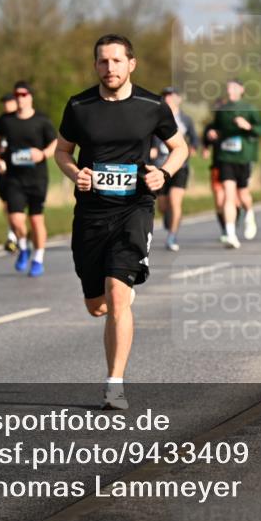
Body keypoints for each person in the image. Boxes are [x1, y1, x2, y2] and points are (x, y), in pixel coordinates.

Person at [55, 34, 187, 410]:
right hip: (92, 215)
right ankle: (119, 289)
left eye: (116, 61)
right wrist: (74, 172)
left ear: (132, 63)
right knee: (97, 305)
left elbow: (180, 147)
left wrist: (164, 172)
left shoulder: (151, 105)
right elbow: (62, 151)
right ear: (95, 65)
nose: (109, 68)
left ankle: (115, 383)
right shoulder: (79, 106)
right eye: (102, 62)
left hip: (135, 208)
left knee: (117, 295)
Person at [0, 81, 58, 275]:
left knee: (36, 220)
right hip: (14, 178)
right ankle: (23, 246)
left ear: (30, 96)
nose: (20, 98)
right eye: (17, 95)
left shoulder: (42, 120)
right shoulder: (6, 121)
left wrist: (43, 154)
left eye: (23, 95)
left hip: (37, 178)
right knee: (15, 220)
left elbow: (55, 143)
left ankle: (38, 258)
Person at [206, 79, 261, 248]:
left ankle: (250, 213)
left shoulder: (249, 109)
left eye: (233, 87)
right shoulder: (222, 111)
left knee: (244, 194)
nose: (230, 90)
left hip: (243, 157)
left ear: (241, 90)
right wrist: (212, 133)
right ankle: (230, 234)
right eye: (228, 87)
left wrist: (248, 127)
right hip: (225, 158)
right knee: (229, 195)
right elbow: (215, 128)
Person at [151, 87, 198, 252]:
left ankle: (172, 236)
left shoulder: (185, 119)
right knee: (163, 206)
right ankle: (168, 218)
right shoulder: (155, 117)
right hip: (159, 166)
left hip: (180, 166)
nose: (168, 99)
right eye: (165, 96)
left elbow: (194, 138)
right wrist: (151, 148)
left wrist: (194, 148)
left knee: (175, 200)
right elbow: (148, 135)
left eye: (172, 96)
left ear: (179, 99)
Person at [0, 93, 19, 252]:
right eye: (5, 102)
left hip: (20, 168)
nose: (6, 105)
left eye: (9, 101)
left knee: (19, 205)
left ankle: (17, 233)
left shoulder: (23, 120)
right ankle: (12, 234)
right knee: (7, 203)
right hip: (3, 167)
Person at [201, 98, 227, 241]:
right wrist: (205, 150)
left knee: (232, 201)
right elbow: (205, 145)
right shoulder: (210, 127)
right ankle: (225, 230)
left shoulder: (230, 126)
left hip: (232, 165)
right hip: (217, 166)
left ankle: (232, 223)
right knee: (219, 201)